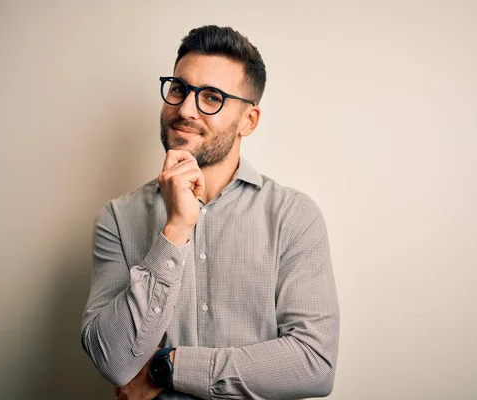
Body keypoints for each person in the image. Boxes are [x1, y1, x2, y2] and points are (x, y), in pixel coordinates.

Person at [81, 25, 340, 400]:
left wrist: (167, 368)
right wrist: (175, 229)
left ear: (248, 121)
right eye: (179, 89)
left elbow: (314, 364)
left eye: (212, 97)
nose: (185, 109)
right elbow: (115, 363)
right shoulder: (117, 219)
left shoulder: (293, 217)